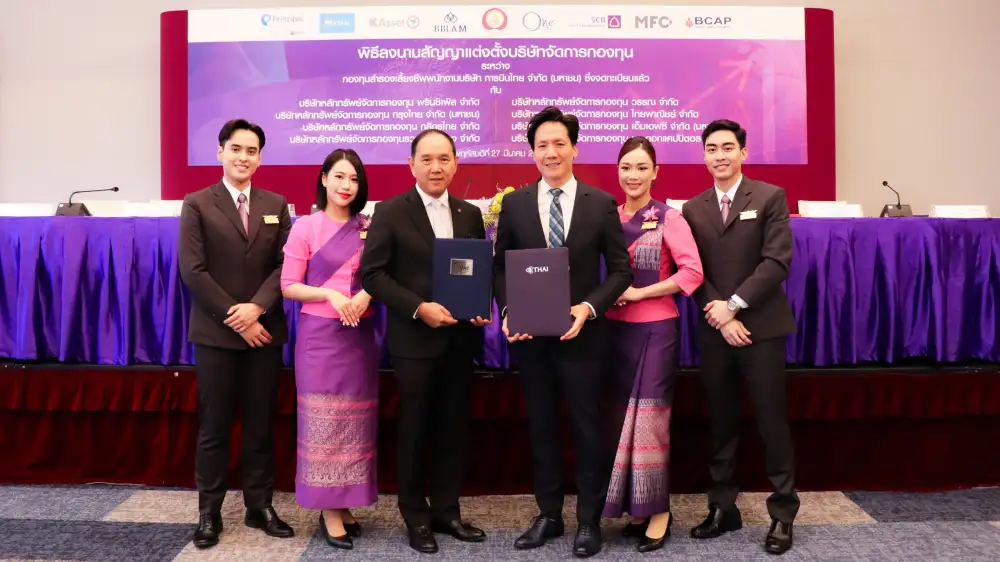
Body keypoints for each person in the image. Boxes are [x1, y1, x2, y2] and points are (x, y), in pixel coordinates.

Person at [493, 106, 632, 558]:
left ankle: (589, 520)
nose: (550, 153)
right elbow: (500, 268)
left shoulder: (600, 202)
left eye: (558, 144)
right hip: (532, 340)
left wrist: (587, 308)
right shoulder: (515, 204)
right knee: (542, 427)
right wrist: (510, 310)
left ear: (574, 148)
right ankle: (549, 514)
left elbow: (620, 271)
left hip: (583, 338)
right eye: (542, 146)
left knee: (588, 428)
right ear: (532, 153)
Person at [359, 129, 489, 554]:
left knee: (453, 428)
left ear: (455, 163)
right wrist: (419, 307)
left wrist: (479, 305)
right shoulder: (390, 211)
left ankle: (447, 511)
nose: (436, 167)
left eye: (444, 159)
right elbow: (373, 275)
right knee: (415, 430)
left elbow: (474, 271)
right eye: (427, 159)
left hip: (460, 341)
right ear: (411, 164)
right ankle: (415, 515)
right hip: (414, 341)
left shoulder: (469, 213)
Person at [680, 119, 798, 555]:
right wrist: (721, 314)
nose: (720, 156)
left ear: (743, 152)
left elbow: (776, 262)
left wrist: (733, 305)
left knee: (771, 422)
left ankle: (782, 513)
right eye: (712, 148)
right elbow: (692, 270)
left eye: (727, 147)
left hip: (760, 329)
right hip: (716, 330)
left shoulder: (769, 197)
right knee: (721, 422)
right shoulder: (691, 208)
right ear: (703, 156)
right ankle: (722, 508)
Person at [178, 118, 295, 549]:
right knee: (215, 426)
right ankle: (209, 512)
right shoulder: (197, 203)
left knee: (261, 424)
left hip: (264, 332)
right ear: (220, 153)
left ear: (260, 158)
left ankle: (259, 506)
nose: (243, 157)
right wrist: (238, 317)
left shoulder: (276, 203)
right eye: (236, 149)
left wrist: (257, 309)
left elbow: (286, 264)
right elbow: (193, 270)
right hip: (218, 335)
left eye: (252, 151)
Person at [602, 137, 704, 553]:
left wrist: (640, 293)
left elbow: (692, 273)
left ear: (655, 172)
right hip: (613, 331)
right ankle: (636, 509)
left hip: (656, 329)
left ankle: (659, 511)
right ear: (617, 171)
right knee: (618, 422)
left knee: (649, 424)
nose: (633, 175)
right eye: (626, 167)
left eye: (642, 167)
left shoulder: (668, 217)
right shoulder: (607, 216)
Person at [279, 148, 378, 551]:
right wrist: (330, 296)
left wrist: (367, 295)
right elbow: (289, 286)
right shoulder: (306, 226)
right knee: (324, 422)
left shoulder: (369, 227)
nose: (346, 185)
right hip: (320, 337)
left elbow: (383, 275)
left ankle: (346, 501)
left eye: (353, 179)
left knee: (354, 424)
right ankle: (328, 509)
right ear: (323, 179)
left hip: (359, 336)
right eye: (339, 176)